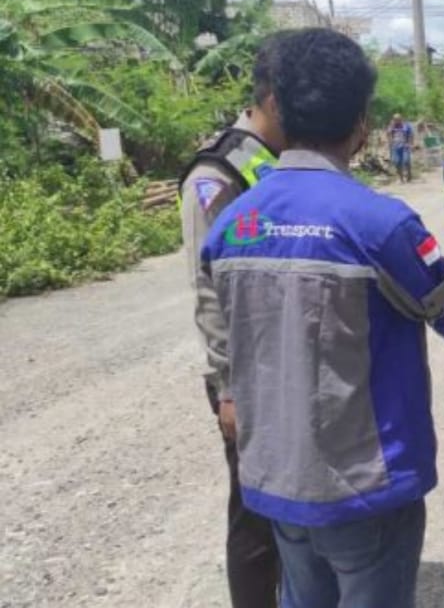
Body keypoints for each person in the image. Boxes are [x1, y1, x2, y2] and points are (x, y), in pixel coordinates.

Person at [200, 28, 444, 608]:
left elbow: (223, 335)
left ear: (280, 110)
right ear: (362, 124)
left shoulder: (233, 222)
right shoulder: (381, 224)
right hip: (365, 488)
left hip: (275, 483)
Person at [179, 34, 288, 608]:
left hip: (286, 356)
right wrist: (228, 388)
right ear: (272, 99)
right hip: (247, 371)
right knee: (254, 513)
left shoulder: (277, 159)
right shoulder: (218, 170)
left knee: (290, 503)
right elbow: (209, 287)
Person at [387, 113, 414, 182]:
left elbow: (411, 135)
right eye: (395, 119)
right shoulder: (392, 126)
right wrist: (391, 143)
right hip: (396, 146)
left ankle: (409, 174)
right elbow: (389, 135)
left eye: (398, 119)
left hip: (405, 146)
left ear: (401, 119)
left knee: (406, 160)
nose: (396, 121)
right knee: (397, 162)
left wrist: (410, 144)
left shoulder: (406, 126)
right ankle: (400, 178)